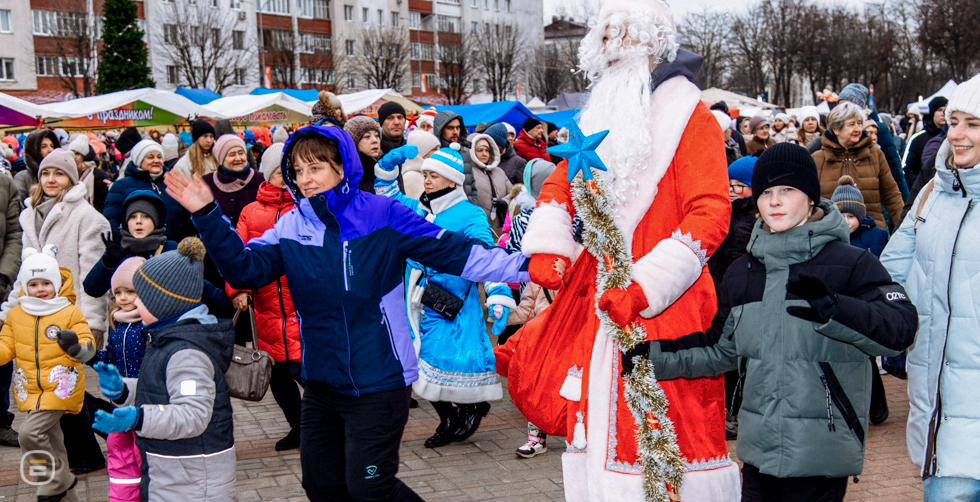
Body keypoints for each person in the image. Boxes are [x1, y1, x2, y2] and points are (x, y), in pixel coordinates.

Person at [165, 124, 528, 501]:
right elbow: (244, 269)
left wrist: (529, 266)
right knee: (322, 486)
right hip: (322, 383)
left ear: (342, 168)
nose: (305, 179)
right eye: (298, 170)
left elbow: (459, 254)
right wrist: (206, 213)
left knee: (370, 488)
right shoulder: (291, 225)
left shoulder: (383, 213)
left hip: (380, 382)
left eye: (315, 168)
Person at [497, 1, 740, 498]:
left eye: (624, 35)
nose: (612, 49)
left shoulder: (689, 116)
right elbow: (562, 180)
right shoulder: (601, 117)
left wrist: (646, 285)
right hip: (597, 298)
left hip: (666, 304)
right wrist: (550, 241)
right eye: (605, 37)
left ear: (654, 43)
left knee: (661, 428)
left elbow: (710, 212)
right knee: (596, 420)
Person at [637, 143, 917, 502]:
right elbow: (720, 349)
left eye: (788, 189)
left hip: (821, 453)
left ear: (811, 198)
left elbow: (900, 329)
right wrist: (649, 357)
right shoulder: (743, 271)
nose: (775, 201)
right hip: (759, 454)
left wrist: (836, 310)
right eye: (766, 191)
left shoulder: (852, 264)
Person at [880, 75, 980, 501]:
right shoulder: (932, 195)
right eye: (953, 122)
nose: (956, 134)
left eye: (973, 124)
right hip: (941, 419)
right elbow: (890, 276)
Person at [376, 144, 513, 448]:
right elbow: (387, 196)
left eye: (434, 175)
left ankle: (471, 406)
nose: (427, 180)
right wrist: (386, 169)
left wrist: (498, 294)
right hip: (416, 300)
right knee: (415, 362)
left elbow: (486, 257)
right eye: (425, 174)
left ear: (452, 180)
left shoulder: (469, 214)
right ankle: (449, 417)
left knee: (450, 360)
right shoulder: (418, 209)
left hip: (454, 302)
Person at [81, 238, 237, 501]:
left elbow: (192, 414)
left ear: (164, 303)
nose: (134, 304)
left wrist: (138, 418)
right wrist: (124, 391)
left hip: (193, 480)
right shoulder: (165, 339)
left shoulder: (187, 353)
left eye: (142, 298)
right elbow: (160, 390)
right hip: (172, 470)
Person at [224, 142, 304, 451]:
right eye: (280, 172)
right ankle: (298, 426)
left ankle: (325, 424)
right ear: (267, 175)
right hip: (266, 308)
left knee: (304, 371)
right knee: (278, 375)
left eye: (291, 172)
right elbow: (237, 257)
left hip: (301, 306)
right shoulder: (251, 212)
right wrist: (239, 289)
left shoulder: (305, 207)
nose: (286, 178)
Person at [1, 246, 94, 502]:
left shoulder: (69, 311)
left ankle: (52, 483)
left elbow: (86, 342)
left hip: (60, 388)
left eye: (46, 283)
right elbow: (5, 347)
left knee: (28, 435)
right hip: (31, 391)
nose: (40, 289)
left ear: (56, 284)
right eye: (33, 284)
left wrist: (78, 348)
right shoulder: (16, 314)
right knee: (54, 445)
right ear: (25, 286)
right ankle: (67, 490)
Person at [67, 256, 147, 501]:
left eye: (130, 291)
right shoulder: (116, 323)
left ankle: (149, 491)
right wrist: (89, 355)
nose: (123, 298)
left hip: (145, 399)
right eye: (118, 292)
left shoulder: (149, 324)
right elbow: (110, 358)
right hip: (119, 398)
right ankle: (124, 495)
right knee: (119, 448)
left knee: (142, 451)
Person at [707, 155, 757, 440]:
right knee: (725, 358)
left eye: (740, 185)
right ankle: (726, 411)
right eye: (729, 183)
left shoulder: (753, 219)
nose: (733, 190)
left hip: (742, 298)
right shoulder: (722, 213)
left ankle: (736, 414)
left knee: (740, 362)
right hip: (718, 295)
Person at [813, 101, 904, 231]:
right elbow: (810, 203)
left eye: (859, 123)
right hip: (831, 234)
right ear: (836, 129)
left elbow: (891, 195)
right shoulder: (817, 159)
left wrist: (904, 229)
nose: (857, 129)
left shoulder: (875, 154)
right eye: (851, 124)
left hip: (872, 232)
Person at [104, 139, 192, 242]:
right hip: (138, 248)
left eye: (159, 157)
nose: (156, 160)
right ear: (139, 160)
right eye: (151, 157)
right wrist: (118, 244)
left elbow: (187, 217)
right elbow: (111, 220)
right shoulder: (121, 186)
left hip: (174, 246)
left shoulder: (171, 183)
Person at [202, 134, 264, 228]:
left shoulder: (261, 180)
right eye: (232, 154)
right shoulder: (207, 182)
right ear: (221, 159)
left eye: (241, 153)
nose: (238, 158)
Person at [0, 170, 20, 448]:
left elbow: (15, 234)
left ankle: (1, 422)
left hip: (0, 287)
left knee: (2, 357)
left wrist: (4, 276)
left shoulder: (5, 183)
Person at [468, 133, 513, 239]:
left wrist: (505, 201)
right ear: (470, 151)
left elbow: (514, 193)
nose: (484, 154)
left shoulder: (499, 172)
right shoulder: (467, 173)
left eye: (487, 150)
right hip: (478, 230)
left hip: (500, 229)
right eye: (480, 150)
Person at [433, 111, 478, 203]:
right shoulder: (435, 154)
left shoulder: (465, 154)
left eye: (458, 128)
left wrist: (472, 204)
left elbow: (471, 185)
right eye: (450, 128)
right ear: (440, 130)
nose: (455, 132)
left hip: (467, 207)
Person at [903, 96, 947, 184]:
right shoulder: (918, 139)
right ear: (932, 113)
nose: (943, 113)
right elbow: (909, 169)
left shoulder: (955, 137)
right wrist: (919, 186)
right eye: (939, 110)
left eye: (946, 110)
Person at [15, 128, 61, 205]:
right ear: (33, 150)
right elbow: (17, 206)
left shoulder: (63, 174)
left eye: (52, 146)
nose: (50, 150)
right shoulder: (22, 177)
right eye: (44, 146)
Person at [67, 135, 110, 212]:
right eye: (72, 154)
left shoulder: (97, 174)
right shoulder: (67, 172)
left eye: (77, 154)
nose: (74, 157)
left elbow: (103, 199)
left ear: (84, 156)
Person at [399, 130, 441, 199]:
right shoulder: (411, 177)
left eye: (439, 148)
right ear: (422, 153)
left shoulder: (434, 172)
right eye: (434, 149)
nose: (439, 152)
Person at [345, 115, 382, 192]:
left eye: (376, 135)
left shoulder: (387, 166)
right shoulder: (349, 175)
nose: (374, 140)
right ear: (354, 143)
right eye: (367, 136)